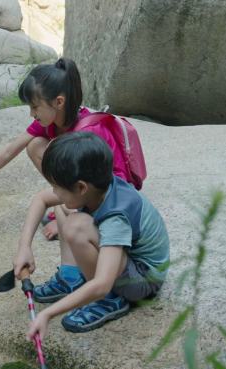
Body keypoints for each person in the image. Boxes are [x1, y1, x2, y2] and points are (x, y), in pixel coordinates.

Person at [0, 58, 131, 301]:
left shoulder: (88, 134)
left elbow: (105, 185)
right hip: (78, 187)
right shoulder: (52, 123)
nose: (31, 113)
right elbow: (10, 150)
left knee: (65, 209)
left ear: (58, 102)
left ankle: (71, 209)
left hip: (105, 195)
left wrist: (73, 209)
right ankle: (67, 212)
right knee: (35, 146)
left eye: (35, 107)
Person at [12, 132, 169, 336]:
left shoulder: (116, 218)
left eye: (57, 187)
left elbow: (102, 283)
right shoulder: (99, 185)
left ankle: (109, 300)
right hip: (127, 262)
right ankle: (70, 276)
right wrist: (25, 247)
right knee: (63, 207)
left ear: (81, 187)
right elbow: (41, 199)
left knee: (77, 226)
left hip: (142, 280)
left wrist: (48, 314)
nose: (54, 192)